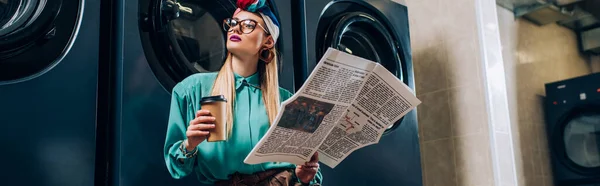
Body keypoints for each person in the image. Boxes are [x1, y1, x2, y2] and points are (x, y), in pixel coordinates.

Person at [163, 0, 323, 185]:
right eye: (232, 23)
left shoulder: (288, 101)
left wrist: (305, 175)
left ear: (268, 40)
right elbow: (176, 168)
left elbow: (312, 174)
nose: (235, 29)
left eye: (248, 25)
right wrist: (189, 144)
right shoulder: (191, 90)